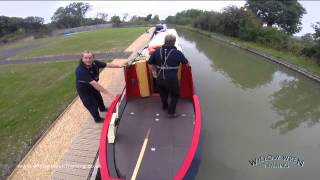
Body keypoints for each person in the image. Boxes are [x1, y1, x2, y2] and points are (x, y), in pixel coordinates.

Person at [148, 34, 189, 118]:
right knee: (175, 95)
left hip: (159, 78)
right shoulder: (177, 53)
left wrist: (154, 73)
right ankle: (171, 113)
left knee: (163, 94)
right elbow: (186, 63)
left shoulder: (156, 51)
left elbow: (150, 63)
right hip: (171, 79)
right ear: (174, 42)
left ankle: (164, 106)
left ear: (165, 41)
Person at [75, 51, 123, 122]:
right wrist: (108, 94)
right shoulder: (80, 70)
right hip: (84, 90)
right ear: (82, 59)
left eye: (90, 58)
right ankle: (97, 119)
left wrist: (119, 66)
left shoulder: (95, 63)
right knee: (91, 105)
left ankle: (102, 109)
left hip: (92, 86)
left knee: (99, 98)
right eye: (85, 58)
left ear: (93, 58)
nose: (88, 60)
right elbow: (94, 83)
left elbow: (107, 65)